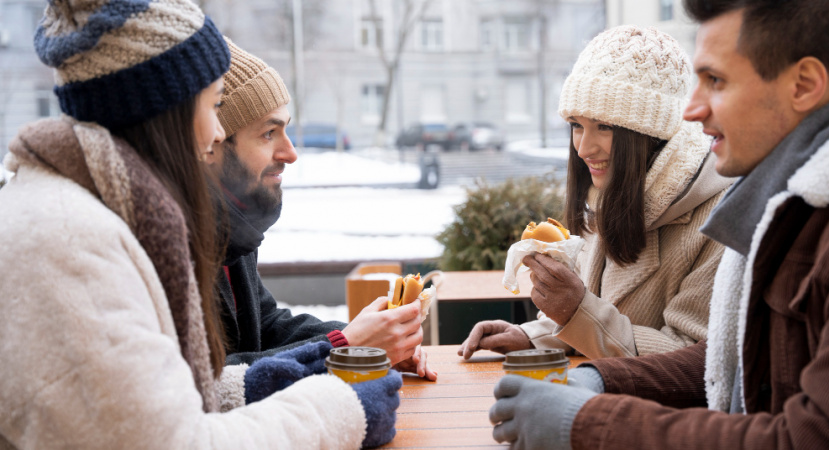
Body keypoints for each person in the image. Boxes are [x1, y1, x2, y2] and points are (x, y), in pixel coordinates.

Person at [0, 1, 397, 448]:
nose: (214, 135)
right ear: (168, 112)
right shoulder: (69, 240)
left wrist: (327, 360)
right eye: (214, 105)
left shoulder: (90, 219)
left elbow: (174, 398)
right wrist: (343, 406)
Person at [489, 0, 829, 448]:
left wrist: (591, 420)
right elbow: (718, 363)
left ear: (804, 85)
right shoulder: (785, 206)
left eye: (715, 81)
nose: (690, 111)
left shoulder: (768, 216)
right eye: (576, 126)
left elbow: (812, 437)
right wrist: (593, 376)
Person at [460, 25, 733, 360]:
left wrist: (575, 309)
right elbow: (596, 318)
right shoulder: (607, 191)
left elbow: (690, 359)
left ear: (650, 133)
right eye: (577, 125)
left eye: (604, 126)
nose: (584, 148)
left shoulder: (721, 216)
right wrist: (531, 336)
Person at [201, 38, 436, 381]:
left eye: (286, 129)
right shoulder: (169, 240)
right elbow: (210, 382)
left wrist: (371, 343)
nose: (291, 152)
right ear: (213, 142)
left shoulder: (231, 225)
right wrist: (344, 346)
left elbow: (265, 325)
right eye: (269, 133)